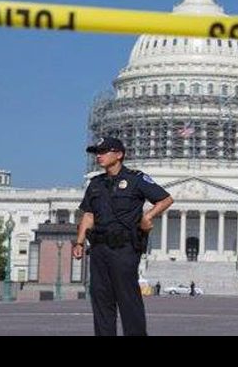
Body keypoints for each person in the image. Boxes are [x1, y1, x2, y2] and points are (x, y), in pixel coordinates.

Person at [73, 136, 174, 336]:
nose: (99, 156)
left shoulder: (136, 179)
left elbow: (165, 199)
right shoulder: (95, 183)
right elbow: (89, 214)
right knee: (101, 299)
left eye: (103, 152)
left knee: (128, 300)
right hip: (100, 248)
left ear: (118, 154)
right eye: (97, 153)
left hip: (124, 248)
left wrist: (148, 216)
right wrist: (79, 242)